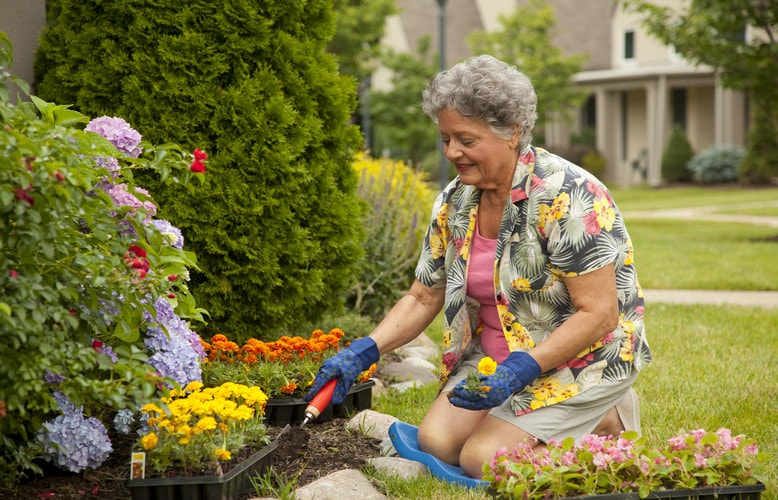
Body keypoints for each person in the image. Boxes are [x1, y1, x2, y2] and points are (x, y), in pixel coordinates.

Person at [305, 54, 651, 479]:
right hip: (494, 360)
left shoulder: (570, 195)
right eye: (446, 139)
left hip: (580, 360)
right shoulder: (456, 200)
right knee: (438, 443)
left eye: (466, 140)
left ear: (513, 133)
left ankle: (608, 420)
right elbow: (423, 294)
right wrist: (365, 351)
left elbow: (599, 314)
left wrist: (523, 369)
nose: (452, 152)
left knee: (482, 460)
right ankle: (538, 422)